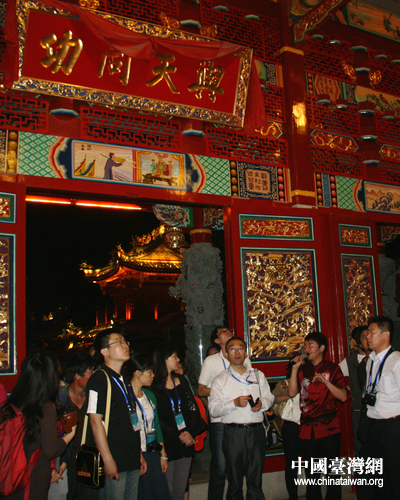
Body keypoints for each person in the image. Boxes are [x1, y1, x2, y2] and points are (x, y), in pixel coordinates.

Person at [0, 353, 76, 500]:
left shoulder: (12, 403)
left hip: (9, 477)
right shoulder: (46, 408)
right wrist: (69, 435)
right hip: (31, 481)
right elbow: (50, 450)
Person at [209, 336, 274, 500]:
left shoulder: (258, 375)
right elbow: (213, 410)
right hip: (233, 434)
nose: (237, 352)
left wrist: (262, 404)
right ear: (226, 354)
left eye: (240, 349)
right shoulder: (220, 379)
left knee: (256, 480)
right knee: (234, 481)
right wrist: (234, 403)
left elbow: (269, 397)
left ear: (246, 353)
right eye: (232, 349)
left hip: (256, 432)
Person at [86, 329, 146, 500]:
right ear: (104, 351)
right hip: (114, 457)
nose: (125, 345)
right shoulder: (98, 379)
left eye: (125, 341)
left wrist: (139, 454)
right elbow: (95, 422)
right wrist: (107, 459)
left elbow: (131, 418)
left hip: (131, 456)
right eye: (118, 342)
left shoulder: (124, 378)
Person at [288, 332, 347, 500]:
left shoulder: (333, 368)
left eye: (310, 345)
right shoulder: (302, 369)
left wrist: (326, 382)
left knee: (332, 472)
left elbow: (343, 397)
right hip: (307, 428)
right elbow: (292, 393)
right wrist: (294, 369)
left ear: (321, 348)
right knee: (311, 474)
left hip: (329, 426)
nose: (306, 349)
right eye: (305, 345)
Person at [198, 327, 252, 500]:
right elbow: (201, 390)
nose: (227, 331)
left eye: (228, 330)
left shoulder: (244, 358)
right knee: (220, 466)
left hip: (240, 417)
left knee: (237, 465)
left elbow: (251, 383)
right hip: (220, 420)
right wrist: (223, 388)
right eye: (222, 331)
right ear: (216, 341)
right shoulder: (211, 361)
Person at [150, 343, 206, 500]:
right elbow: (156, 418)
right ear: (163, 359)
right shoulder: (153, 386)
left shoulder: (181, 380)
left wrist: (190, 432)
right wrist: (178, 434)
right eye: (174, 356)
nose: (178, 359)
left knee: (180, 490)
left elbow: (193, 409)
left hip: (186, 442)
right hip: (167, 444)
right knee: (166, 490)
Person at [357, 315, 400, 500]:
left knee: (395, 473)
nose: (368, 337)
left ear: (386, 334)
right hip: (373, 425)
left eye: (372, 332)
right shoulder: (370, 361)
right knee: (368, 473)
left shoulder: (397, 360)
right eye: (367, 333)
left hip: (393, 427)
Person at [128, 352, 171, 500]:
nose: (153, 375)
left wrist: (163, 454)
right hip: (135, 453)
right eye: (149, 371)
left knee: (160, 492)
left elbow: (156, 425)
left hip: (152, 451)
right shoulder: (126, 397)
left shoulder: (149, 395)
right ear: (137, 373)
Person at [56, 352, 97, 500]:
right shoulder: (60, 398)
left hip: (89, 461)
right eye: (90, 372)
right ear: (77, 376)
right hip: (67, 462)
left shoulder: (93, 396)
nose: (93, 375)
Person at [338, 325, 370, 456]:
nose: (368, 340)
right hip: (358, 408)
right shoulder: (350, 361)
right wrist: (347, 387)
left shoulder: (379, 359)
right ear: (357, 342)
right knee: (360, 445)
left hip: (377, 409)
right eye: (364, 337)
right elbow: (334, 375)